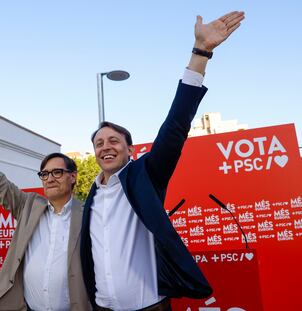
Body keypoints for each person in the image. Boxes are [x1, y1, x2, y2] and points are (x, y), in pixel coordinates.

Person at [80, 11, 245, 311]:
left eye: (114, 141)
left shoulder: (146, 175)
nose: (106, 147)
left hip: (151, 306)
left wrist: (201, 53)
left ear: (130, 150)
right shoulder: (90, 196)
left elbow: (175, 126)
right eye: (99, 143)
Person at [0, 94, 90, 311]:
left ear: (73, 176)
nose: (49, 178)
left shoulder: (88, 215)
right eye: (44, 174)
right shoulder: (29, 206)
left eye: (57, 172)